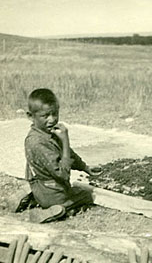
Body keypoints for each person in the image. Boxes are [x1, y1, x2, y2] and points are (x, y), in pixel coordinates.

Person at [16, 88, 101, 223]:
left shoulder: (46, 133)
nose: (52, 119)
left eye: (55, 114)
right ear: (30, 116)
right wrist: (65, 140)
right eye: (46, 116)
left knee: (66, 188)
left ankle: (31, 197)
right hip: (53, 193)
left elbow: (68, 153)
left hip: (41, 186)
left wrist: (85, 167)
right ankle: (57, 209)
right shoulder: (37, 142)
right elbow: (63, 175)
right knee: (88, 195)